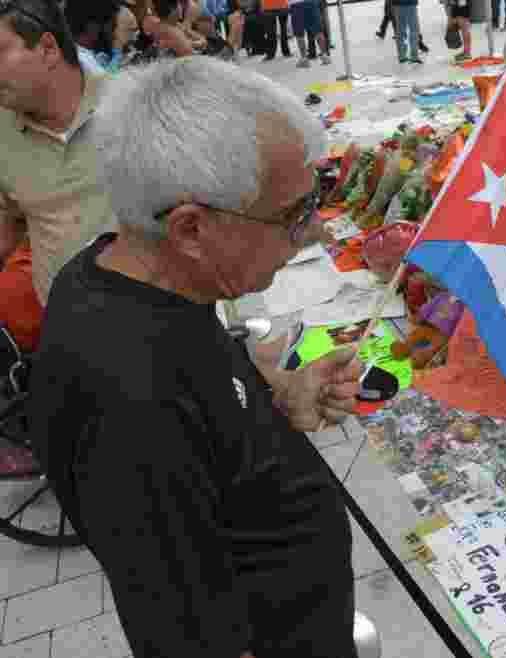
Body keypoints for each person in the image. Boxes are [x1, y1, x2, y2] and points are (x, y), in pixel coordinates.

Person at [30, 57, 364, 658]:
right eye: (292, 215)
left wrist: (277, 396)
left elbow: (205, 400)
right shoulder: (131, 405)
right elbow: (184, 634)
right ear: (190, 229)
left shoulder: (125, 272)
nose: (311, 232)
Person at [0, 0, 116, 353]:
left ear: (48, 48)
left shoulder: (130, 107)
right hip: (68, 338)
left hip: (158, 328)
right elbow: (8, 221)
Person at [65, 0, 137, 75]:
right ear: (92, 26)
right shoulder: (84, 62)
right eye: (113, 27)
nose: (113, 34)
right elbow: (107, 82)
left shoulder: (79, 54)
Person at [288, 0, 327, 67]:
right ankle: (325, 57)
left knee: (299, 34)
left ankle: (304, 59)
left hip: (296, 5)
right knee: (318, 31)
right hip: (311, 3)